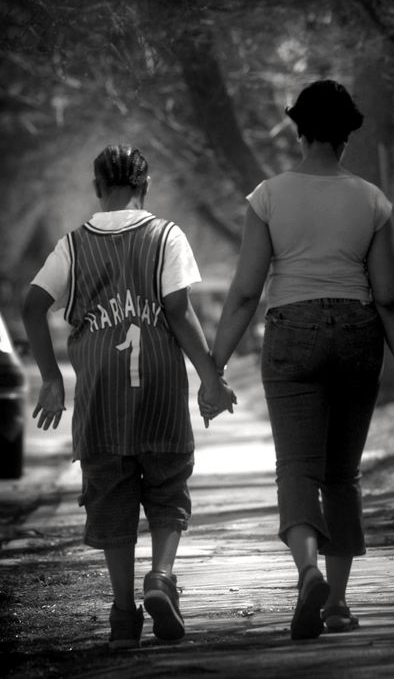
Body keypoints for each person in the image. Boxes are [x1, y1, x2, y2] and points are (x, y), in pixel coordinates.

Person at [199, 80, 394, 640]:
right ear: (348, 135)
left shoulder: (269, 196)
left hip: (292, 332)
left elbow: (247, 293)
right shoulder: (373, 200)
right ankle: (339, 604)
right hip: (357, 333)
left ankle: (306, 571)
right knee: (342, 475)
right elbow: (391, 298)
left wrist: (214, 368)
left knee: (296, 469)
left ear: (299, 130)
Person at [22, 144, 235, 650]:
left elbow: (32, 306)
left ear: (98, 188)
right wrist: (210, 377)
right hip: (160, 388)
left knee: (111, 501)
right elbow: (180, 312)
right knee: (167, 489)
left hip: (100, 399)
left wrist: (51, 378)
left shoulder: (72, 247)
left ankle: (122, 615)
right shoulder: (167, 236)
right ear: (146, 185)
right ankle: (160, 577)